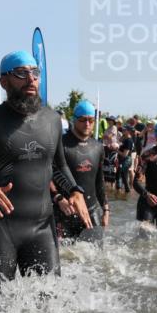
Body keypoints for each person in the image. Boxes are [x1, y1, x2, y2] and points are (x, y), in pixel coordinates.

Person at [0, 50, 90, 298]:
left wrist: (74, 190)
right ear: (4, 82)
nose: (31, 79)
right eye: (21, 73)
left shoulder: (53, 119)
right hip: (2, 229)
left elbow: (59, 166)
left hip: (43, 228)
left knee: (51, 310)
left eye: (35, 73)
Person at [53, 100, 108, 243]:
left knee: (96, 258)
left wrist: (106, 209)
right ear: (74, 120)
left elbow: (99, 180)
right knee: (67, 259)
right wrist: (58, 197)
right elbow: (48, 175)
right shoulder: (61, 144)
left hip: (92, 210)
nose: (87, 124)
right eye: (83, 119)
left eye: (91, 120)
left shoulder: (98, 147)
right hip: (65, 211)